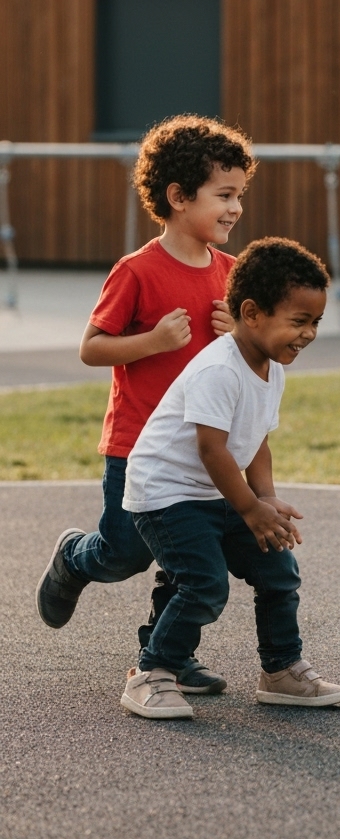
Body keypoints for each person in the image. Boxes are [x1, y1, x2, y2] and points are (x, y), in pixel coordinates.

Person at [35, 115, 254, 695]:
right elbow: (91, 348)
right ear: (178, 197)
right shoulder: (135, 272)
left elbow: (262, 355)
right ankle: (75, 558)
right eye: (224, 195)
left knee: (188, 561)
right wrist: (153, 342)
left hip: (203, 448)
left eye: (240, 196)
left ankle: (166, 656)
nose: (235, 208)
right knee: (125, 552)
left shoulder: (233, 276)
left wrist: (239, 332)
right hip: (138, 446)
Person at [119, 237, 340, 719]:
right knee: (203, 583)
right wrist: (248, 508)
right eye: (299, 321)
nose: (308, 334)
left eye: (315, 323)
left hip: (213, 490)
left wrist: (265, 499)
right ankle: (153, 672)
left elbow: (258, 441)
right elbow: (212, 448)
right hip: (166, 493)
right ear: (252, 313)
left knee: (277, 569)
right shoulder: (218, 369)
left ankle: (281, 670)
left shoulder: (271, 367)